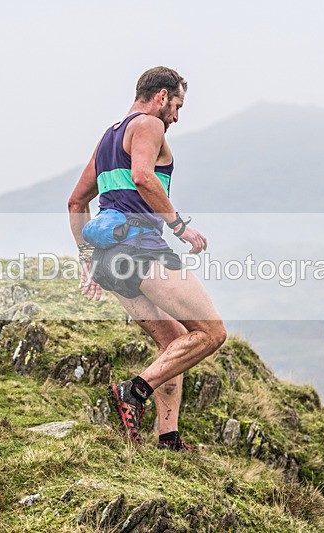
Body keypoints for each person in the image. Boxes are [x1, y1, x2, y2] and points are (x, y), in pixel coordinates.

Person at [68, 66, 227, 450]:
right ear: (161, 97)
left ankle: (168, 437)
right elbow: (143, 176)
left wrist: (87, 258)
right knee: (212, 333)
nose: (177, 116)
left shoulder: (108, 138)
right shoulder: (149, 124)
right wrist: (179, 226)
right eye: (177, 106)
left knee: (174, 343)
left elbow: (76, 202)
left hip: (109, 261)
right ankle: (134, 392)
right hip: (141, 251)